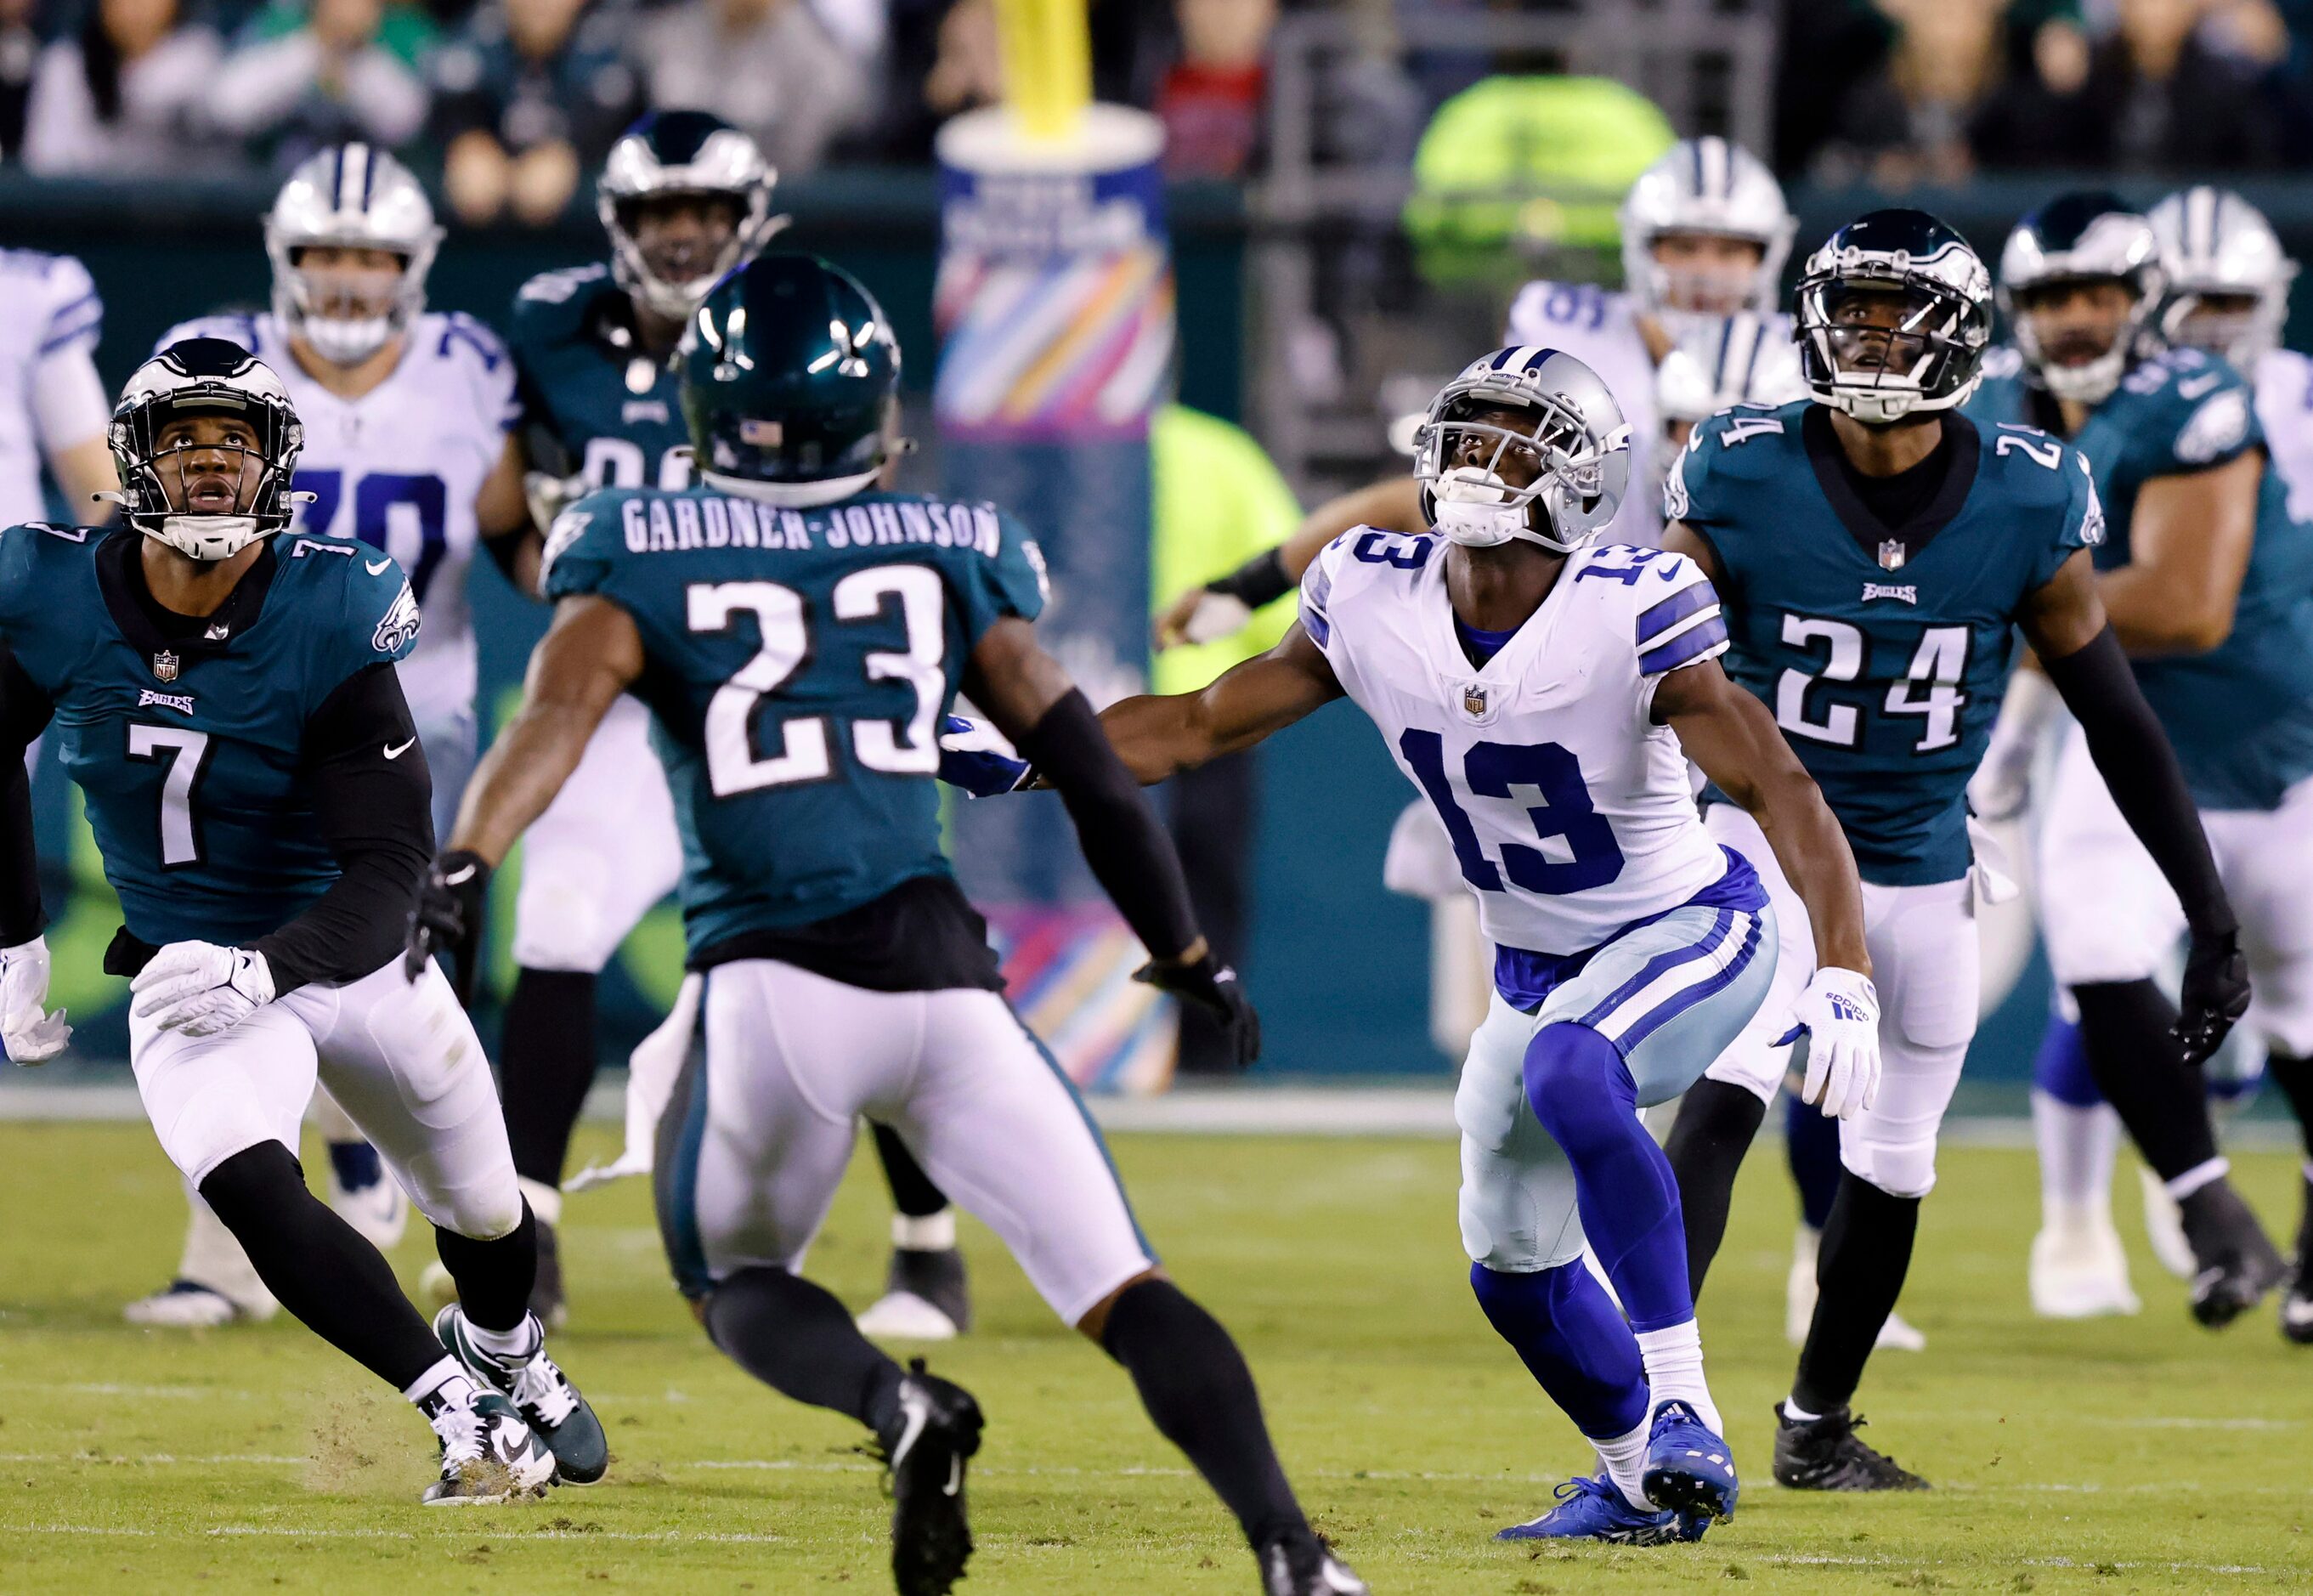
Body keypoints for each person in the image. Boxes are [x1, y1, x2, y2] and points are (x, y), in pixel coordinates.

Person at [406, 252, 1366, 1596]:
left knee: (734, 1275)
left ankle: (893, 1404)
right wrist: (1185, 946)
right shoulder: (948, 543)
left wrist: (462, 862)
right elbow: (1092, 764)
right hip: (947, 984)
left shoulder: (635, 546)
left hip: (771, 992)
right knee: (1123, 1287)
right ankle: (1291, 1553)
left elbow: (554, 722)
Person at [956, 342, 1882, 1544]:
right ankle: (1641, 1483)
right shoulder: (1371, 589)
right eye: (1466, 431)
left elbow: (1781, 790)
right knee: (1511, 1272)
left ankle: (1683, 1407)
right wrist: (1030, 751)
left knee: (1570, 1069)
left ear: (1576, 475)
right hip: (1535, 969)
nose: (1476, 459)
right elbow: (1191, 724)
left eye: (1513, 437)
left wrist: (1845, 967)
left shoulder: (1632, 606)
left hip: (1693, 930)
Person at [1654, 208, 2245, 1493]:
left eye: (1896, 309)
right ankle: (1656, 1407)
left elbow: (2119, 717)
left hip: (1926, 858)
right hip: (1762, 841)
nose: (1869, 332)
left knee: (1896, 1156)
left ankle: (1815, 1424)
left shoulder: (2029, 488)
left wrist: (2210, 915)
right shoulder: (1742, 465)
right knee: (1726, 1086)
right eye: (1850, 306)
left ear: (1960, 333)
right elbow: (1646, 646)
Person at [0, 338, 600, 1503]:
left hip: (345, 949)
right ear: (136, 462)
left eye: (237, 442)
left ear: (276, 464)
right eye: (185, 442)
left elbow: (392, 862)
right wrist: (14, 934)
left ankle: (512, 1357)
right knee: (247, 1180)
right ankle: (460, 1412)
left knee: (485, 1205)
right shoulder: (49, 589)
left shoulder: (332, 603)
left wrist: (269, 969)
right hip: (186, 955)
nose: (214, 466)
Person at [478, 110, 975, 1339]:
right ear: (619, 224)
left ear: (750, 218)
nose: (687, 237)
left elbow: (871, 493)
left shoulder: (799, 320)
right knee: (555, 913)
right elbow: (500, 496)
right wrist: (572, 586)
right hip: (623, 695)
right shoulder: (548, 325)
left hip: (767, 700)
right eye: (663, 216)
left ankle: (927, 1244)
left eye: (707, 214)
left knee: (861, 944)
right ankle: (521, 1232)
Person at [122, 143, 535, 1330]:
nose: (348, 279)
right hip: (235, 707)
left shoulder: (464, 369)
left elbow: (511, 523)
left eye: (371, 256)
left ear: (413, 266)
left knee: (376, 962)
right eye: (324, 254)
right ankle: (231, 1244)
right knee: (218, 957)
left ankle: (398, 1174)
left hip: (412, 708)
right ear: (282, 258)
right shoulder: (211, 360)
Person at [1967, 190, 2313, 1333]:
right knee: (2099, 956)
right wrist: (2015, 736)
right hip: (2136, 747)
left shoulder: (2192, 395)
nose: (2072, 316)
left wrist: (1977, 597)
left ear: (2140, 300)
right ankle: (2208, 1210)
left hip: (2274, 743)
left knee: (2301, 1014)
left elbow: (2181, 601)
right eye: (2050, 295)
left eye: (2095, 292)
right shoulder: (2001, 417)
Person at [20, 0, 221, 176]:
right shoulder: (65, 65)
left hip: (173, 214)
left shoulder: (199, 58)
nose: (135, 6)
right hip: (84, 212)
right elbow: (46, 165)